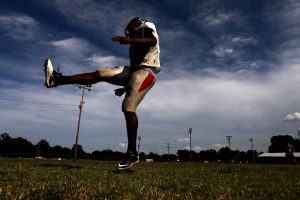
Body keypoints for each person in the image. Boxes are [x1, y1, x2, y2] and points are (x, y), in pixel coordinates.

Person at [44, 17, 160, 169]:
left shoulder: (146, 26)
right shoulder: (134, 44)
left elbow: (152, 41)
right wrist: (125, 87)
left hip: (147, 71)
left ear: (137, 22)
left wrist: (129, 40)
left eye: (130, 25)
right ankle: (57, 80)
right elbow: (135, 72)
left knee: (128, 106)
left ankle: (132, 152)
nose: (128, 29)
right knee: (100, 73)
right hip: (134, 72)